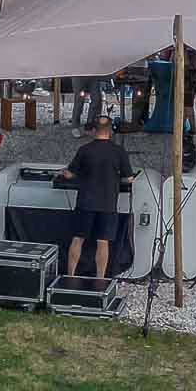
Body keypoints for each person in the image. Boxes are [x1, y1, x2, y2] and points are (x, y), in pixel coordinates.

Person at [60, 115, 134, 278]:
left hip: (85, 202)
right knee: (103, 242)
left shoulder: (85, 150)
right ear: (110, 132)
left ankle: (70, 275)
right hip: (108, 203)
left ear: (94, 131)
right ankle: (100, 278)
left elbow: (70, 174)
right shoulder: (118, 151)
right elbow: (129, 178)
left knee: (78, 239)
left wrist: (66, 174)